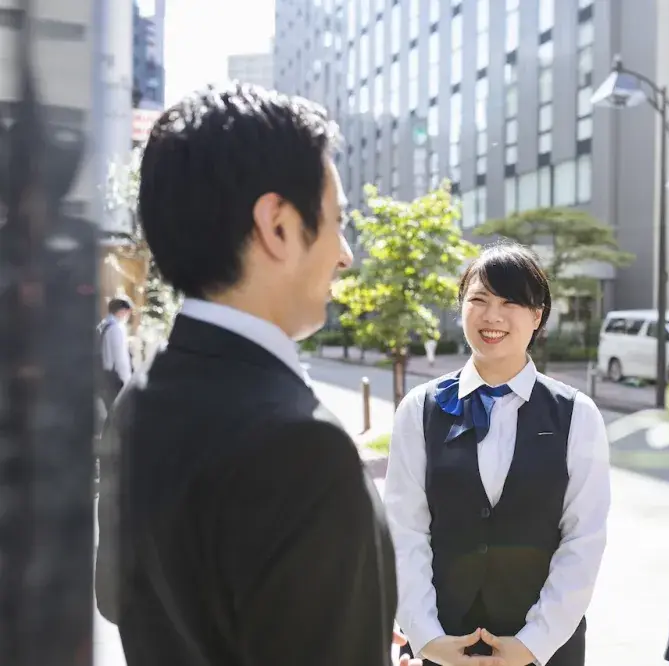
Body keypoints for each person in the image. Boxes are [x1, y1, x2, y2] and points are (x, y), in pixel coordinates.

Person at [95, 83, 409, 666]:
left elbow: (119, 602)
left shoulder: (137, 403)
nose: (345, 254)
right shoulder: (303, 448)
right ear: (279, 225)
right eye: (337, 220)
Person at [386, 242, 612, 666]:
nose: (492, 316)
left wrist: (534, 642)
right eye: (479, 300)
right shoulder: (420, 409)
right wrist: (426, 635)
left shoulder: (577, 414)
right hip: (448, 645)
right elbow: (404, 530)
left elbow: (584, 539)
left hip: (547, 650)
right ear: (461, 308)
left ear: (537, 315)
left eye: (511, 302)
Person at [97, 296, 133, 414]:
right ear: (122, 311)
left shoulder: (103, 325)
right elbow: (120, 359)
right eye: (128, 313)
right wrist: (127, 381)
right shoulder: (116, 329)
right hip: (115, 378)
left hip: (102, 375)